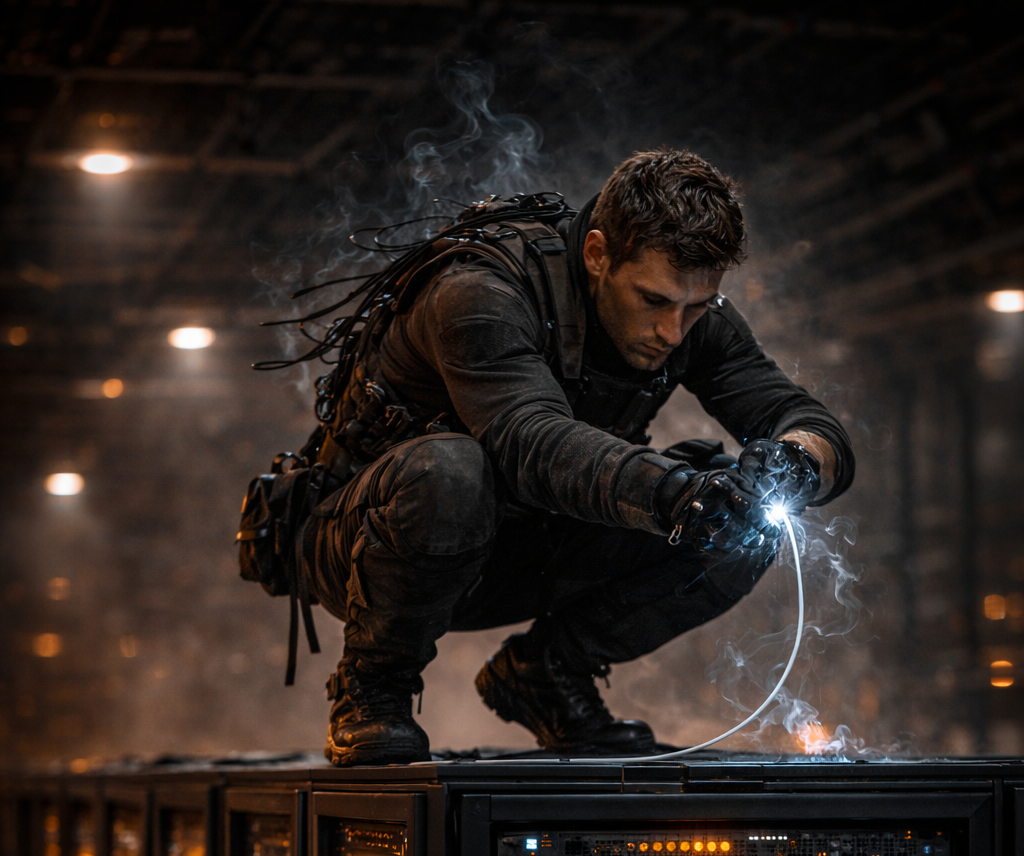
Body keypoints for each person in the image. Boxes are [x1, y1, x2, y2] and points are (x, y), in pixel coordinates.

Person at [304, 148, 854, 765]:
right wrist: (674, 493)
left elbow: (806, 421)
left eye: (695, 307)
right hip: (371, 542)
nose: (674, 331)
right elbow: (527, 440)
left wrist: (795, 462)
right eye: (653, 301)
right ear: (597, 255)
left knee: (742, 516)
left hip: (523, 546)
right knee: (452, 472)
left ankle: (546, 676)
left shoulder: (688, 316)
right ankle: (372, 688)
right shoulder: (478, 292)